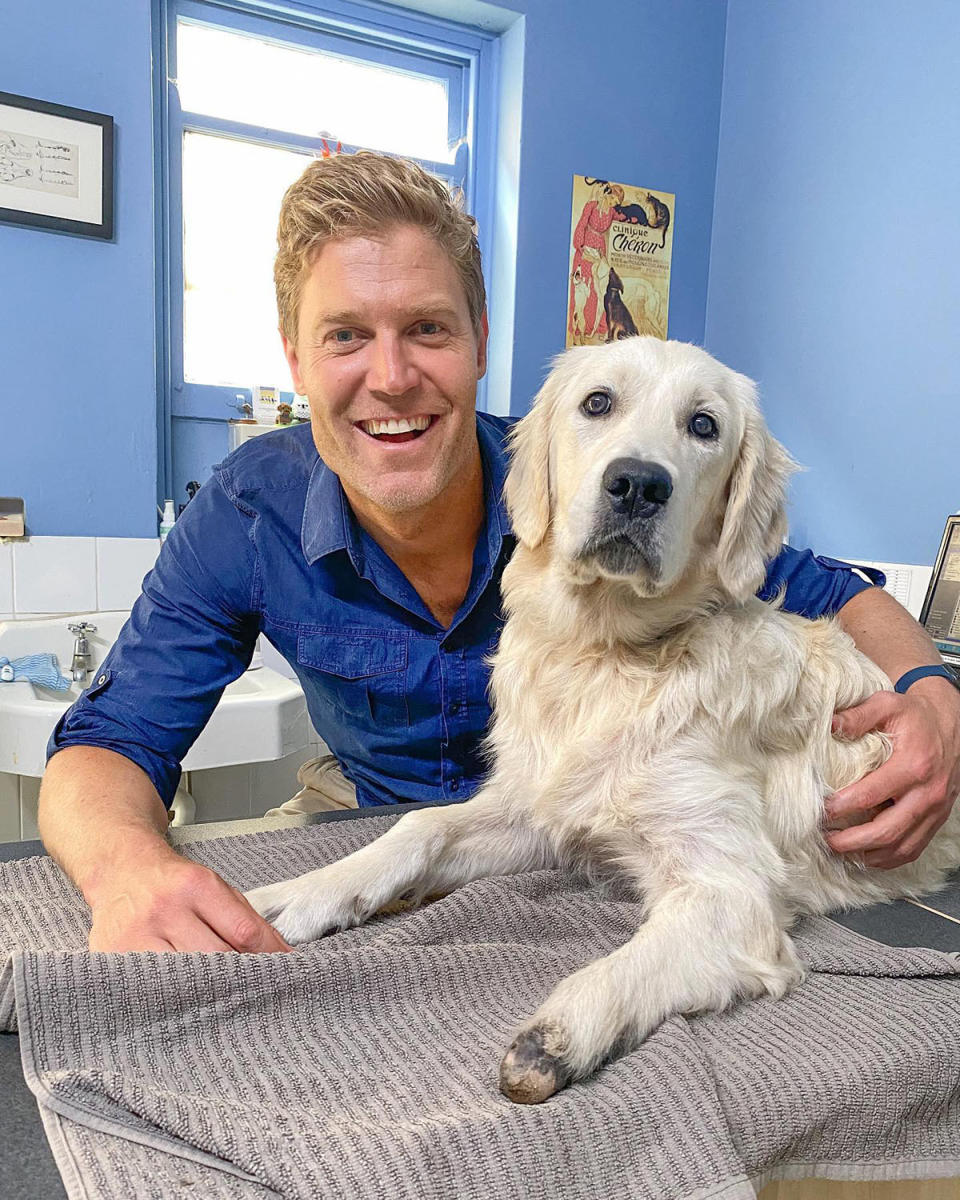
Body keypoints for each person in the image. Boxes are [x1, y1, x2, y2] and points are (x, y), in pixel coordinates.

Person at [38, 151, 960, 954]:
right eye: (347, 335)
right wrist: (125, 873)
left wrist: (933, 695)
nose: (391, 377)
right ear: (296, 360)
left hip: (593, 837)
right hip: (362, 814)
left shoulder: (583, 475)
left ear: (479, 344)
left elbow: (829, 590)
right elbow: (109, 741)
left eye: (428, 329)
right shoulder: (246, 509)